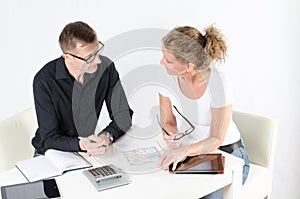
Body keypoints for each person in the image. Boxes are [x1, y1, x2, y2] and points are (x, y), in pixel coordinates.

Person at [158, 25, 249, 199]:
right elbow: (167, 121)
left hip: (228, 156)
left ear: (189, 66)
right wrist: (169, 131)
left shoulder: (218, 83)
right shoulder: (165, 78)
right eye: (162, 56)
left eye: (168, 60)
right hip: (193, 155)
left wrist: (183, 151)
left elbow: (216, 139)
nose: (162, 63)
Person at [32, 21, 133, 157]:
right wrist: (82, 144)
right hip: (52, 153)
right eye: (89, 57)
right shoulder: (44, 80)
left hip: (88, 152)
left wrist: (106, 136)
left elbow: (123, 115)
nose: (97, 60)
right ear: (67, 57)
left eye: (97, 51)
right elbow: (49, 138)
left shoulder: (106, 69)